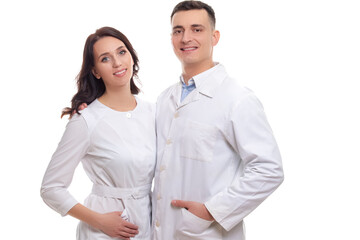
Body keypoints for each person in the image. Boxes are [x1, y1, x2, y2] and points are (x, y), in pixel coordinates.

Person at [152, 1, 284, 239]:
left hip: (206, 232)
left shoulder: (237, 98)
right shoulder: (164, 99)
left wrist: (212, 211)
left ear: (215, 37)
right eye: (178, 30)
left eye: (197, 29)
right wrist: (92, 106)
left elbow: (269, 169)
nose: (185, 38)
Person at [40, 26, 156, 240]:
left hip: (149, 223)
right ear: (95, 71)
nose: (117, 62)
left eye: (122, 52)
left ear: (132, 56)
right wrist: (99, 221)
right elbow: (51, 188)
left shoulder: (154, 112)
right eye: (105, 58)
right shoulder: (86, 120)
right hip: (103, 229)